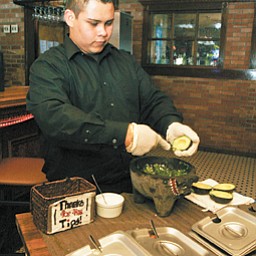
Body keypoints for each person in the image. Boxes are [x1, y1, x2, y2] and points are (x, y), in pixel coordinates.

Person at [26, 0, 200, 193]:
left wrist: (170, 125)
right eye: (94, 23)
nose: (103, 32)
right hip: (75, 184)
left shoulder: (125, 61)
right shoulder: (48, 66)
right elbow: (56, 119)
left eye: (108, 23)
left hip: (129, 180)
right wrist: (126, 135)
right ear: (70, 18)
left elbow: (152, 100)